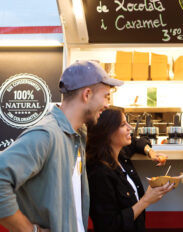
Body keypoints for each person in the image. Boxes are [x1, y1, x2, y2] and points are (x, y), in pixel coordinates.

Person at [0, 60, 123, 232]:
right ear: (87, 94)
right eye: (106, 96)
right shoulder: (46, 135)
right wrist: (30, 230)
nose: (107, 104)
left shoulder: (78, 135)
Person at [86, 108, 174, 232]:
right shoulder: (99, 173)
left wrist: (151, 153)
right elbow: (109, 226)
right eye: (123, 125)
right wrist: (146, 200)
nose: (130, 128)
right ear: (107, 131)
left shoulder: (120, 155)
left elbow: (137, 142)